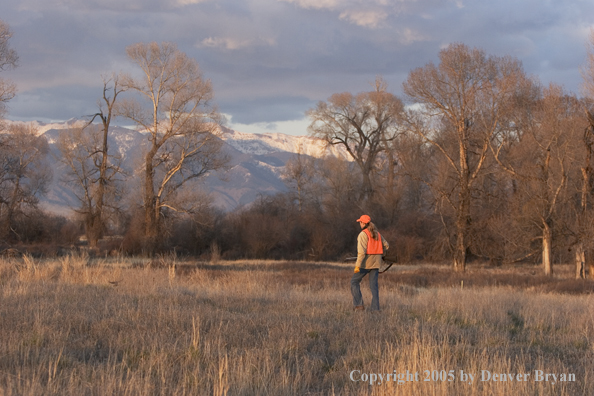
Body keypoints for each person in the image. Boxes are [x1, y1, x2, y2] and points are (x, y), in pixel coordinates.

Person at [351, 215, 389, 312]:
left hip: (365, 264)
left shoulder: (363, 234)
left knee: (354, 282)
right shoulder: (377, 234)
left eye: (360, 222)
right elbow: (387, 245)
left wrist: (357, 266)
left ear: (363, 223)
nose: (360, 224)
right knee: (374, 286)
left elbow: (361, 253)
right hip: (376, 263)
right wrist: (382, 254)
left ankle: (359, 306)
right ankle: (375, 309)